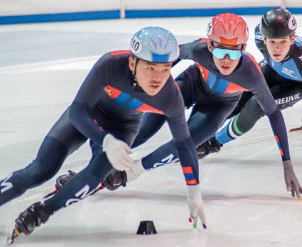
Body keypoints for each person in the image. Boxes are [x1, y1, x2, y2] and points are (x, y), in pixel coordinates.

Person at [0, 27, 205, 242]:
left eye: (165, 69)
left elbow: (184, 143)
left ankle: (43, 211)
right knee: (39, 171)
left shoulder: (170, 96)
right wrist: (105, 141)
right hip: (87, 116)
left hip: (122, 128)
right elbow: (78, 110)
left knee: (95, 176)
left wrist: (194, 191)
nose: (158, 77)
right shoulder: (110, 64)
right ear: (133, 63)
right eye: (151, 68)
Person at [88, 13, 302, 199]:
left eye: (233, 52)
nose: (225, 59)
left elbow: (273, 114)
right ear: (210, 44)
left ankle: (130, 173)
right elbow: (166, 59)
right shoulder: (198, 49)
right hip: (190, 84)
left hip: (218, 107)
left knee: (183, 145)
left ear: (243, 48)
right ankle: (92, 169)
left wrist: (287, 163)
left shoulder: (251, 73)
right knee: (144, 129)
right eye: (220, 50)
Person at [197, 8, 302, 169]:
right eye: (272, 42)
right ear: (263, 39)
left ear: (292, 39)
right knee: (237, 95)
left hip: (298, 85)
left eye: (283, 41)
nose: (277, 48)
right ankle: (198, 135)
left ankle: (213, 143)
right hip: (272, 69)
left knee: (256, 105)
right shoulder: (258, 35)